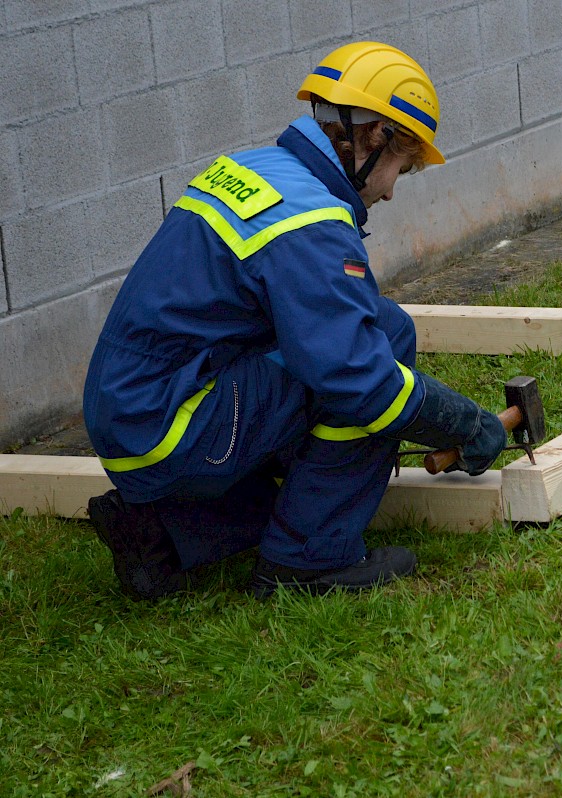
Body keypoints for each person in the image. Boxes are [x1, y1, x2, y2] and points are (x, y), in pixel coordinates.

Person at [82, 42, 505, 601]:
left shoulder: (255, 167)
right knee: (379, 352)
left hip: (132, 416)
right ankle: (307, 561)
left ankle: (160, 534)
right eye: (402, 165)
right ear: (374, 135)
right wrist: (463, 424)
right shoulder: (311, 221)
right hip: (174, 426)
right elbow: (360, 378)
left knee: (353, 350)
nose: (392, 188)